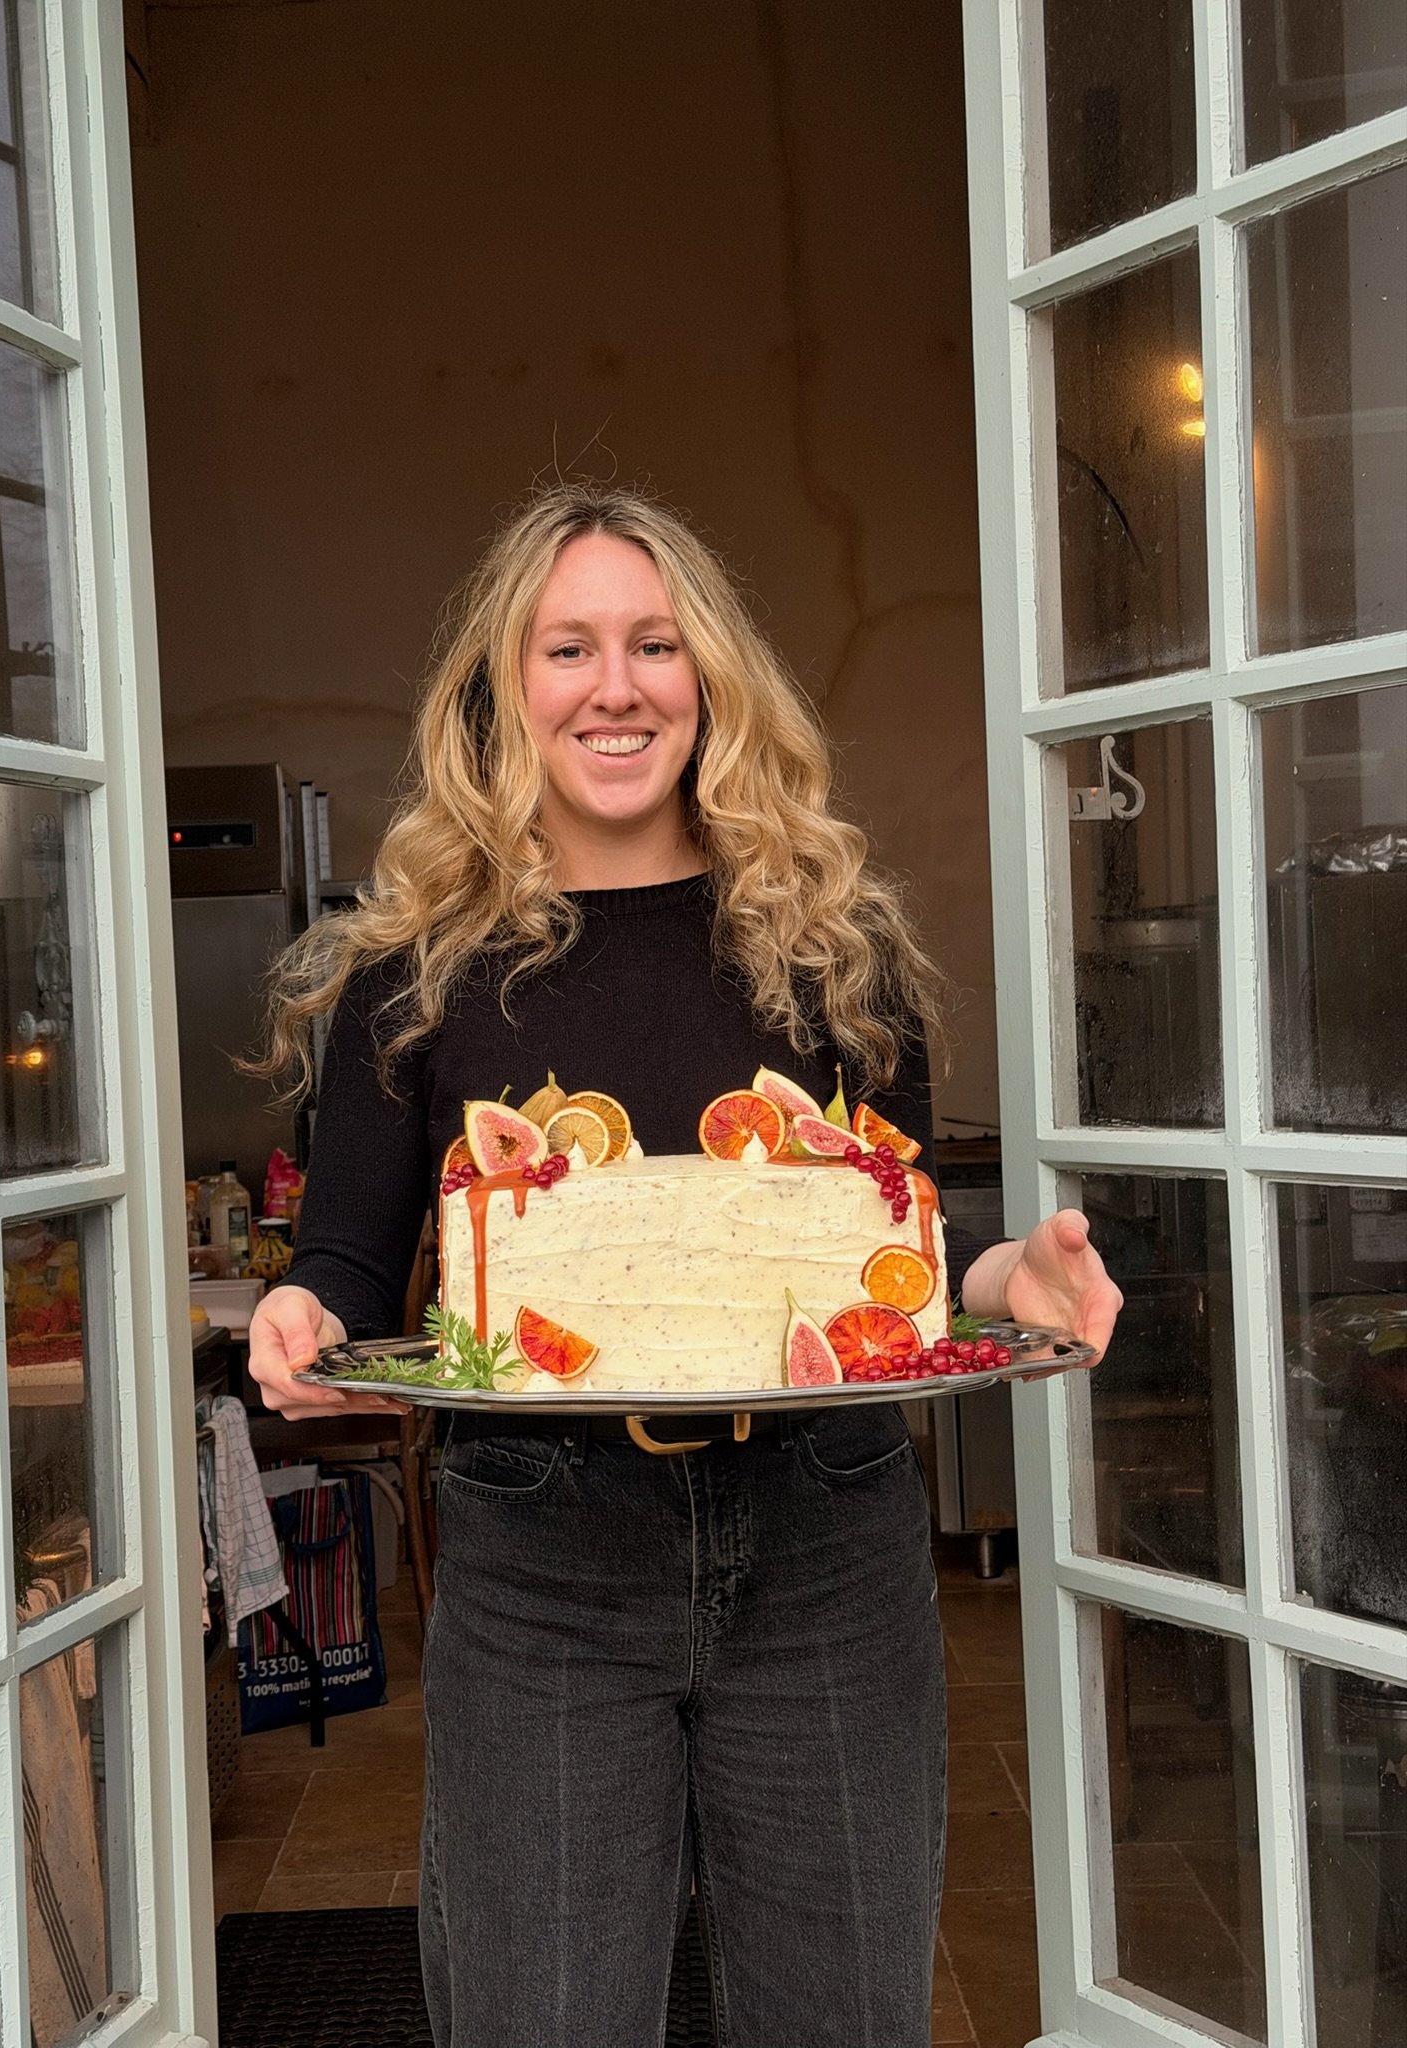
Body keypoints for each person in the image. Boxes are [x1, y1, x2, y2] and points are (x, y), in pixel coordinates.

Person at [248, 485, 1122, 2047]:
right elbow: (348, 1263)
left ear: (710, 673)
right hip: (543, 1560)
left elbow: (894, 1242)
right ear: (508, 691)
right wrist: (303, 1314)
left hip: (827, 1540)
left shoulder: (828, 942)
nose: (616, 686)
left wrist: (1008, 1286)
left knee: (840, 2019)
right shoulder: (416, 970)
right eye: (568, 647)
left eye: (655, 643)